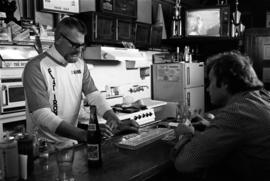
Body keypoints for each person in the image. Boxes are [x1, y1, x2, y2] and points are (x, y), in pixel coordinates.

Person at [23, 17, 138, 149]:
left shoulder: (80, 65)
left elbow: (94, 96)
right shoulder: (36, 67)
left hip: (70, 143)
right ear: (58, 39)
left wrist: (114, 120)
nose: (79, 51)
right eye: (74, 44)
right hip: (43, 148)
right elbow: (42, 115)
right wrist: (84, 134)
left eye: (82, 46)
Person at [171, 51, 270, 181]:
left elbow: (185, 163)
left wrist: (185, 135)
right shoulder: (263, 98)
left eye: (211, 82)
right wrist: (211, 126)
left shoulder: (237, 113)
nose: (207, 89)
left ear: (224, 83)